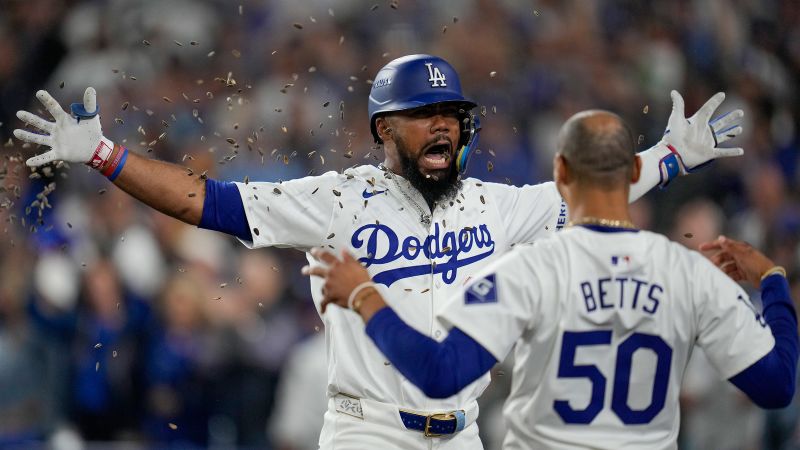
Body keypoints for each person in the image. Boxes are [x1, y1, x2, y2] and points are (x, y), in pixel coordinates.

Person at [14, 54, 745, 448]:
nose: (440, 128)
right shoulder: (336, 199)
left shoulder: (499, 206)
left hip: (461, 435)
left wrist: (672, 155)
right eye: (420, 116)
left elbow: (601, 193)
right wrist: (107, 154)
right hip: (367, 431)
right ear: (382, 131)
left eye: (450, 116)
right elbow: (204, 201)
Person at [304, 110, 798, 449]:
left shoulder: (526, 272)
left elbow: (440, 375)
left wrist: (367, 297)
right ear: (631, 177)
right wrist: (773, 281)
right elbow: (777, 386)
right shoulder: (691, 273)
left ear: (559, 172)